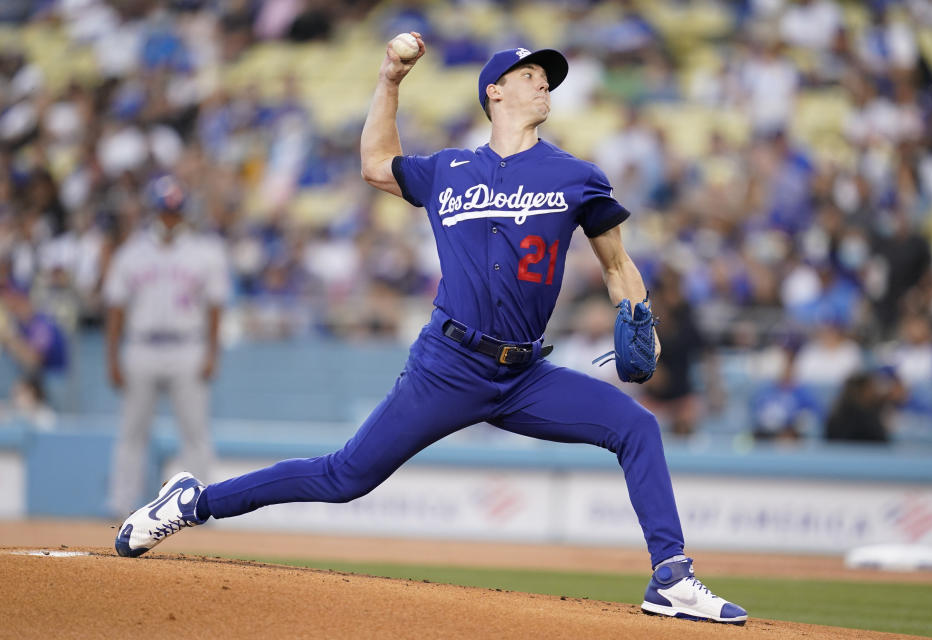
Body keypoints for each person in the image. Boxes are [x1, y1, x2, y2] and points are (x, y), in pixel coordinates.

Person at [114, 37, 748, 626]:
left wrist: (638, 315)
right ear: (493, 92)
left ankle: (671, 577)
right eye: (529, 76)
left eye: (546, 80)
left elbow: (617, 264)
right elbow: (374, 164)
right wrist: (390, 79)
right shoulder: (448, 170)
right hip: (448, 364)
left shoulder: (575, 175)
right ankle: (193, 503)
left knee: (636, 426)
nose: (542, 87)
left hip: (524, 373)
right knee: (344, 477)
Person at [104, 175, 231, 517]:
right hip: (141, 345)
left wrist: (211, 353)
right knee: (132, 431)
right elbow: (115, 308)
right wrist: (112, 358)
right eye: (164, 212)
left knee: (195, 432)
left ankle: (201, 507)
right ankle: (120, 505)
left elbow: (215, 307)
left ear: (184, 214)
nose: (169, 219)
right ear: (154, 212)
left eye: (174, 213)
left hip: (187, 346)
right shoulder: (131, 253)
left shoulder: (204, 252)